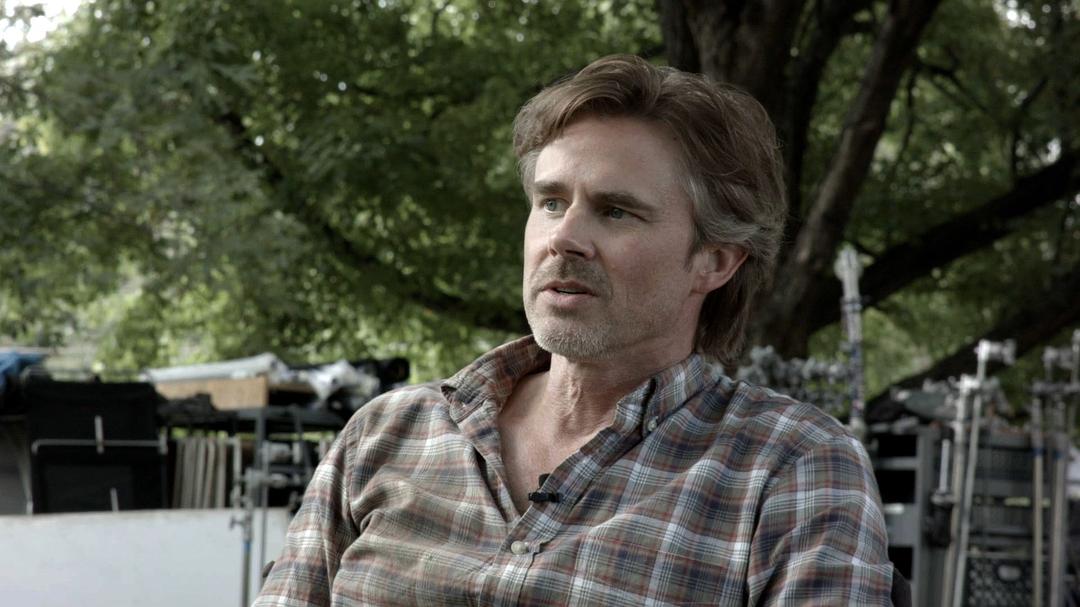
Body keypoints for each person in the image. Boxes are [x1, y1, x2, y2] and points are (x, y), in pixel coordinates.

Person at [255, 54, 894, 606]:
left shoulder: (790, 466)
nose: (564, 237)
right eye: (552, 202)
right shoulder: (387, 434)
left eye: (615, 211)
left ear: (715, 261)